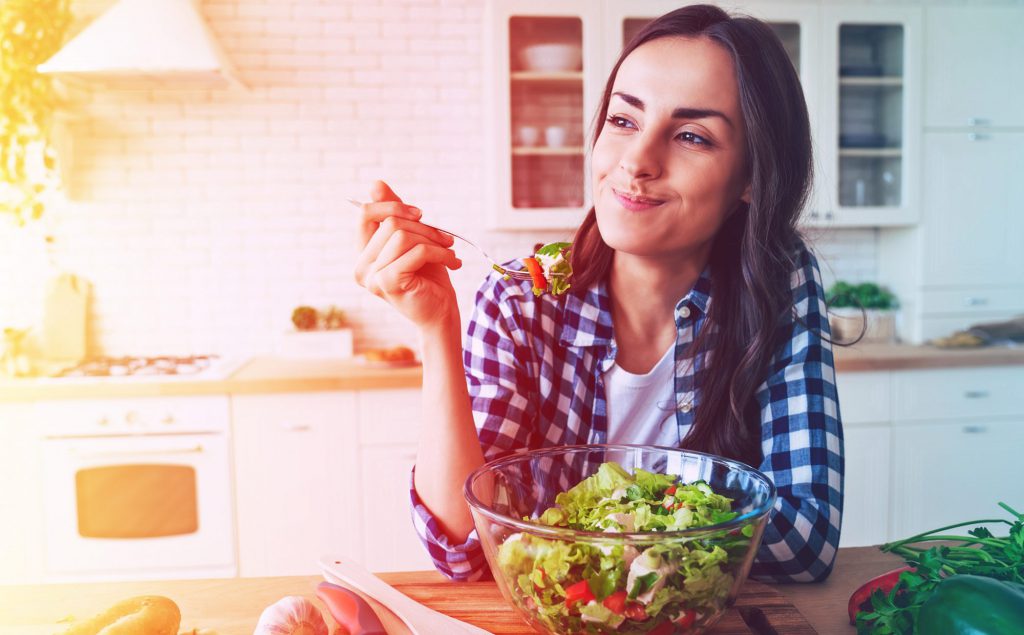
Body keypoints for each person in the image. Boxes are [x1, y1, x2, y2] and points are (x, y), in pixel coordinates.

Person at [354, 4, 843, 584]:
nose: (635, 162)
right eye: (623, 121)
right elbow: (462, 547)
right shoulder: (519, 302)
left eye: (691, 136)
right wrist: (435, 329)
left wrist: (568, 535)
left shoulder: (779, 287)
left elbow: (805, 538)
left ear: (751, 179)